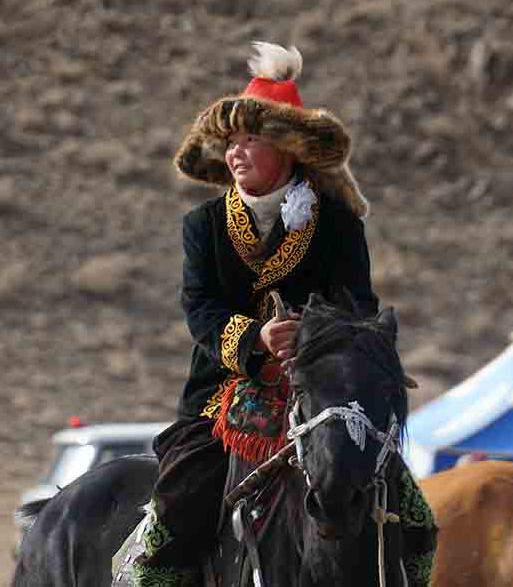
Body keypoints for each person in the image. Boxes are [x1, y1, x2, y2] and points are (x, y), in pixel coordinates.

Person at [113, 42, 437, 587]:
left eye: (252, 141)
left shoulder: (338, 226)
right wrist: (257, 338)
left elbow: (361, 311)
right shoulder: (204, 225)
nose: (236, 154)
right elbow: (200, 308)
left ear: (286, 149)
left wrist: (312, 337)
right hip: (225, 394)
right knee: (180, 502)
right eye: (231, 143)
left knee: (417, 519)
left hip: (326, 397)